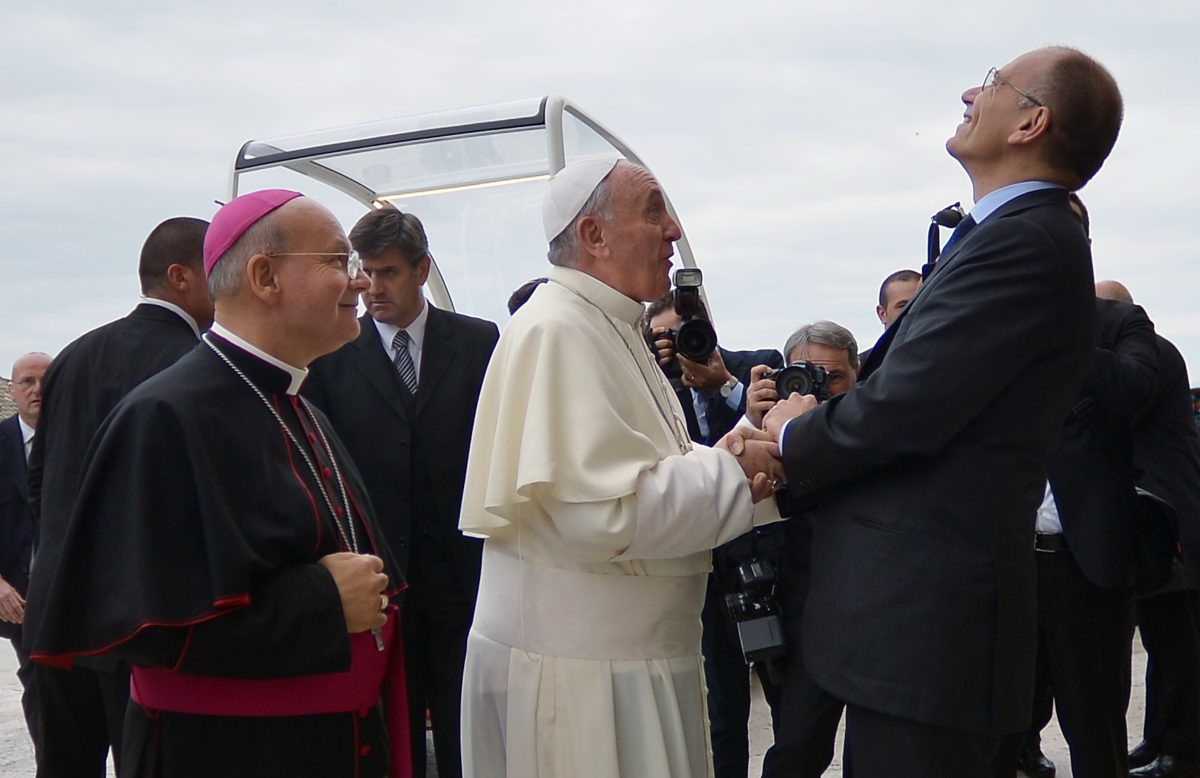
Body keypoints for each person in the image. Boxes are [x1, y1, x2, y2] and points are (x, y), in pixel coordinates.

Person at [748, 47, 1123, 775]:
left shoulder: (1023, 241)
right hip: (913, 635)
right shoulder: (1007, 237)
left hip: (932, 638)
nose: (968, 92)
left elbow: (904, 408)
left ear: (1031, 123)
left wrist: (792, 431)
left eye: (991, 82)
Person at [24, 190, 409, 777]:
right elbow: (145, 626)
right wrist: (323, 601)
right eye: (337, 261)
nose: (357, 282)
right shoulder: (164, 414)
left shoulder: (295, 400)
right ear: (264, 276)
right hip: (228, 753)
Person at [458, 156, 784, 778]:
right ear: (594, 236)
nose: (673, 230)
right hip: (584, 679)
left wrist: (740, 456)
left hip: (632, 661)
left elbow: (658, 463)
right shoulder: (557, 329)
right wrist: (738, 468)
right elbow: (608, 512)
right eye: (654, 209)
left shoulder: (612, 323)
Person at [305, 206, 499, 778]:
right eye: (363, 272)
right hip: (381, 580)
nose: (370, 288)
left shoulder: (477, 342)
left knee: (472, 726)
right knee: (395, 735)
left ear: (422, 270)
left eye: (387, 272)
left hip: (466, 574)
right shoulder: (333, 353)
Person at [22, 216, 213, 778]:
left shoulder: (75, 355)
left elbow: (40, 478)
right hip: (137, 624)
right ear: (180, 277)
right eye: (216, 268)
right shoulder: (195, 365)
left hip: (56, 618)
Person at [643, 291, 783, 778]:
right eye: (665, 337)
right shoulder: (651, 394)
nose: (681, 344)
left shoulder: (759, 369)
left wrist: (724, 385)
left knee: (792, 712)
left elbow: (781, 437)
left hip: (766, 569)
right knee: (720, 715)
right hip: (701, 575)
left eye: (687, 331)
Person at [1098, 279, 1200, 778]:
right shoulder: (1154, 352)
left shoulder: (1149, 354)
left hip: (1171, 520)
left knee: (1179, 645)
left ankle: (1182, 751)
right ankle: (1159, 739)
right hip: (1164, 516)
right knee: (1164, 641)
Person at [750, 322, 859, 777]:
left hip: (881, 619)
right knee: (797, 749)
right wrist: (757, 427)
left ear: (857, 376)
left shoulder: (876, 429)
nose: (822, 388)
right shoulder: (772, 431)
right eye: (808, 375)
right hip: (804, 617)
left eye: (834, 377)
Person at [0, 352, 51, 742]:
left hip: (79, 593)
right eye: (28, 382)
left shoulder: (85, 438)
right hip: (21, 596)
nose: (38, 390)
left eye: (46, 380)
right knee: (40, 687)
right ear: (13, 391)